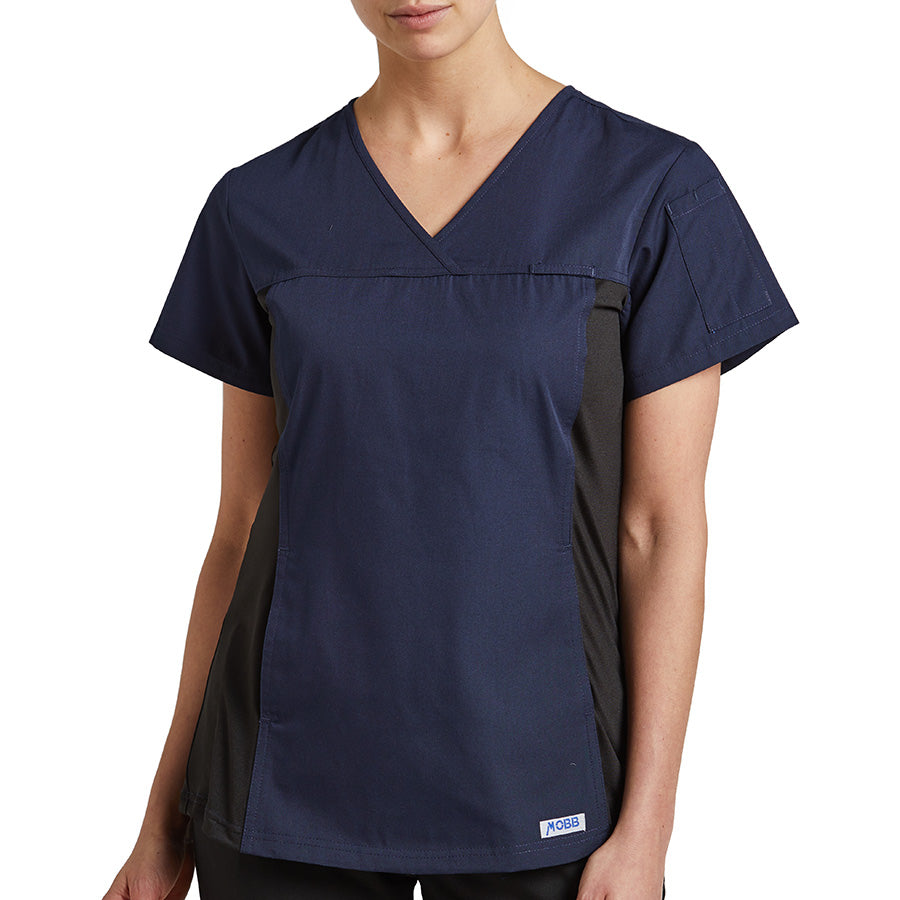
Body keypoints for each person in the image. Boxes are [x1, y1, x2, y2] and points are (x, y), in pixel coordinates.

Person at [102, 2, 799, 899]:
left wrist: (648, 829)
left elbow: (658, 532)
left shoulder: (649, 187)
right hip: (281, 788)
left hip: (546, 792)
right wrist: (162, 822)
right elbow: (240, 530)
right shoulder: (261, 203)